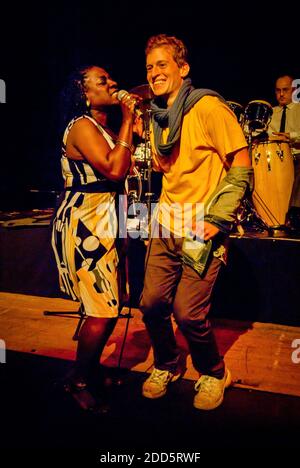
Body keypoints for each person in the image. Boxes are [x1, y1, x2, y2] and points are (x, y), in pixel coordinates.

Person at [139, 34, 253, 410]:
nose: (154, 72)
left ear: (182, 68)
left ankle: (214, 372)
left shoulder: (207, 107)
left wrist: (219, 218)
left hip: (200, 227)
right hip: (165, 224)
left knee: (188, 313)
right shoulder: (158, 119)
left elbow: (241, 162)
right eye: (150, 66)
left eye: (162, 64)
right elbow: (166, 168)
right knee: (152, 304)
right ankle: (168, 364)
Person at [51, 65, 138, 412]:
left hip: (105, 217)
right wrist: (130, 121)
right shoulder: (83, 126)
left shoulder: (102, 128)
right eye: (103, 81)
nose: (113, 83)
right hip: (85, 222)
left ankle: (92, 367)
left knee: (110, 305)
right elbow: (115, 169)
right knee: (102, 310)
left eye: (111, 78)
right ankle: (77, 381)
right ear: (84, 93)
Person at [268, 74, 300, 231]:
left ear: (294, 90)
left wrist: (291, 136)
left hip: (296, 156)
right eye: (278, 90)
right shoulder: (271, 112)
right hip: (274, 160)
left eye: (285, 90)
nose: (281, 94)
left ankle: (294, 215)